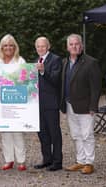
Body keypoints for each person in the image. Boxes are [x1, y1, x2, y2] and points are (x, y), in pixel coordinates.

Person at [60, 34, 101, 174]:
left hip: (85, 106)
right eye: (71, 44)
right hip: (69, 104)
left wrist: (93, 106)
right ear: (67, 47)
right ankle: (80, 161)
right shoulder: (65, 62)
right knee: (76, 134)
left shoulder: (90, 62)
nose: (74, 46)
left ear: (81, 45)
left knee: (87, 134)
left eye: (77, 44)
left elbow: (96, 87)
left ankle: (89, 163)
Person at [0, 34, 27, 171]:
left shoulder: (21, 61)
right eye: (5, 45)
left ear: (15, 47)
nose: (8, 48)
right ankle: (8, 160)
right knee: (5, 132)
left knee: (18, 131)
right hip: (1, 101)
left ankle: (21, 161)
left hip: (17, 100)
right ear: (1, 47)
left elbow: (25, 80)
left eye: (11, 45)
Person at [33, 36, 63, 171]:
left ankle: (57, 162)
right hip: (37, 104)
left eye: (43, 46)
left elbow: (56, 80)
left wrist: (43, 71)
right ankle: (47, 159)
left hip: (51, 104)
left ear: (48, 46)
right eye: (38, 46)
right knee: (42, 133)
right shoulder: (35, 61)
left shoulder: (56, 60)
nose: (40, 48)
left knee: (54, 133)